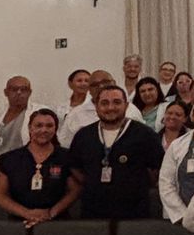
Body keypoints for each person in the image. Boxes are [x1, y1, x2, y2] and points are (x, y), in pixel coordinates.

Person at [67, 84, 160, 220]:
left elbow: (156, 168)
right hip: (93, 211)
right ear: (96, 106)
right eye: (104, 103)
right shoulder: (83, 135)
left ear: (126, 106)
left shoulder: (145, 134)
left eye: (117, 102)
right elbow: (74, 167)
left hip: (134, 212)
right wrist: (93, 183)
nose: (110, 107)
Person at [0, 108, 80, 226]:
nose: (44, 130)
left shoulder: (66, 157)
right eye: (39, 125)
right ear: (30, 128)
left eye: (49, 126)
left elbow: (75, 190)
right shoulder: (10, 159)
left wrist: (51, 213)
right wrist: (27, 213)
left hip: (57, 224)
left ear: (55, 129)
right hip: (18, 224)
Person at [0, 74, 46, 196]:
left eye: (24, 89)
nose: (19, 93)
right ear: (6, 92)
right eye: (14, 89)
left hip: (28, 173)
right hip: (0, 172)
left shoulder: (41, 113)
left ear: (30, 92)